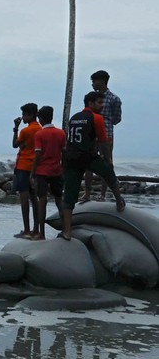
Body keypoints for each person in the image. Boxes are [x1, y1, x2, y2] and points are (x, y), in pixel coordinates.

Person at [60, 91, 125, 240]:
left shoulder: (74, 117)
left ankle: (67, 232)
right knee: (109, 173)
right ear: (90, 103)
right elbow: (103, 142)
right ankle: (119, 201)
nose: (102, 106)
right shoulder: (96, 118)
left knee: (69, 196)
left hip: (70, 158)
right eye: (99, 103)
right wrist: (107, 159)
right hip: (87, 156)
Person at [82, 70, 122, 202]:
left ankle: (103, 195)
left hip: (107, 133)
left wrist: (106, 123)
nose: (92, 84)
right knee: (88, 163)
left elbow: (117, 118)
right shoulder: (92, 98)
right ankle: (87, 193)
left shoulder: (113, 99)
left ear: (102, 81)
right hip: (92, 134)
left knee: (106, 162)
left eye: (94, 81)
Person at [29, 106, 65, 240]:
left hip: (42, 171)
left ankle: (41, 233)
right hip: (56, 170)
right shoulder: (61, 133)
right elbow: (64, 152)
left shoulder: (39, 134)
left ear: (41, 118)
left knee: (42, 201)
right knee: (59, 201)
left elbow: (37, 154)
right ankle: (66, 229)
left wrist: (32, 172)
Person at [11, 102, 41, 239]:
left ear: (31, 115)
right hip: (35, 167)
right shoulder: (40, 129)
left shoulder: (25, 131)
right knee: (34, 199)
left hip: (23, 166)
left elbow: (14, 144)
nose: (22, 117)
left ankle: (26, 230)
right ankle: (36, 229)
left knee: (24, 199)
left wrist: (16, 128)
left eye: (24, 115)